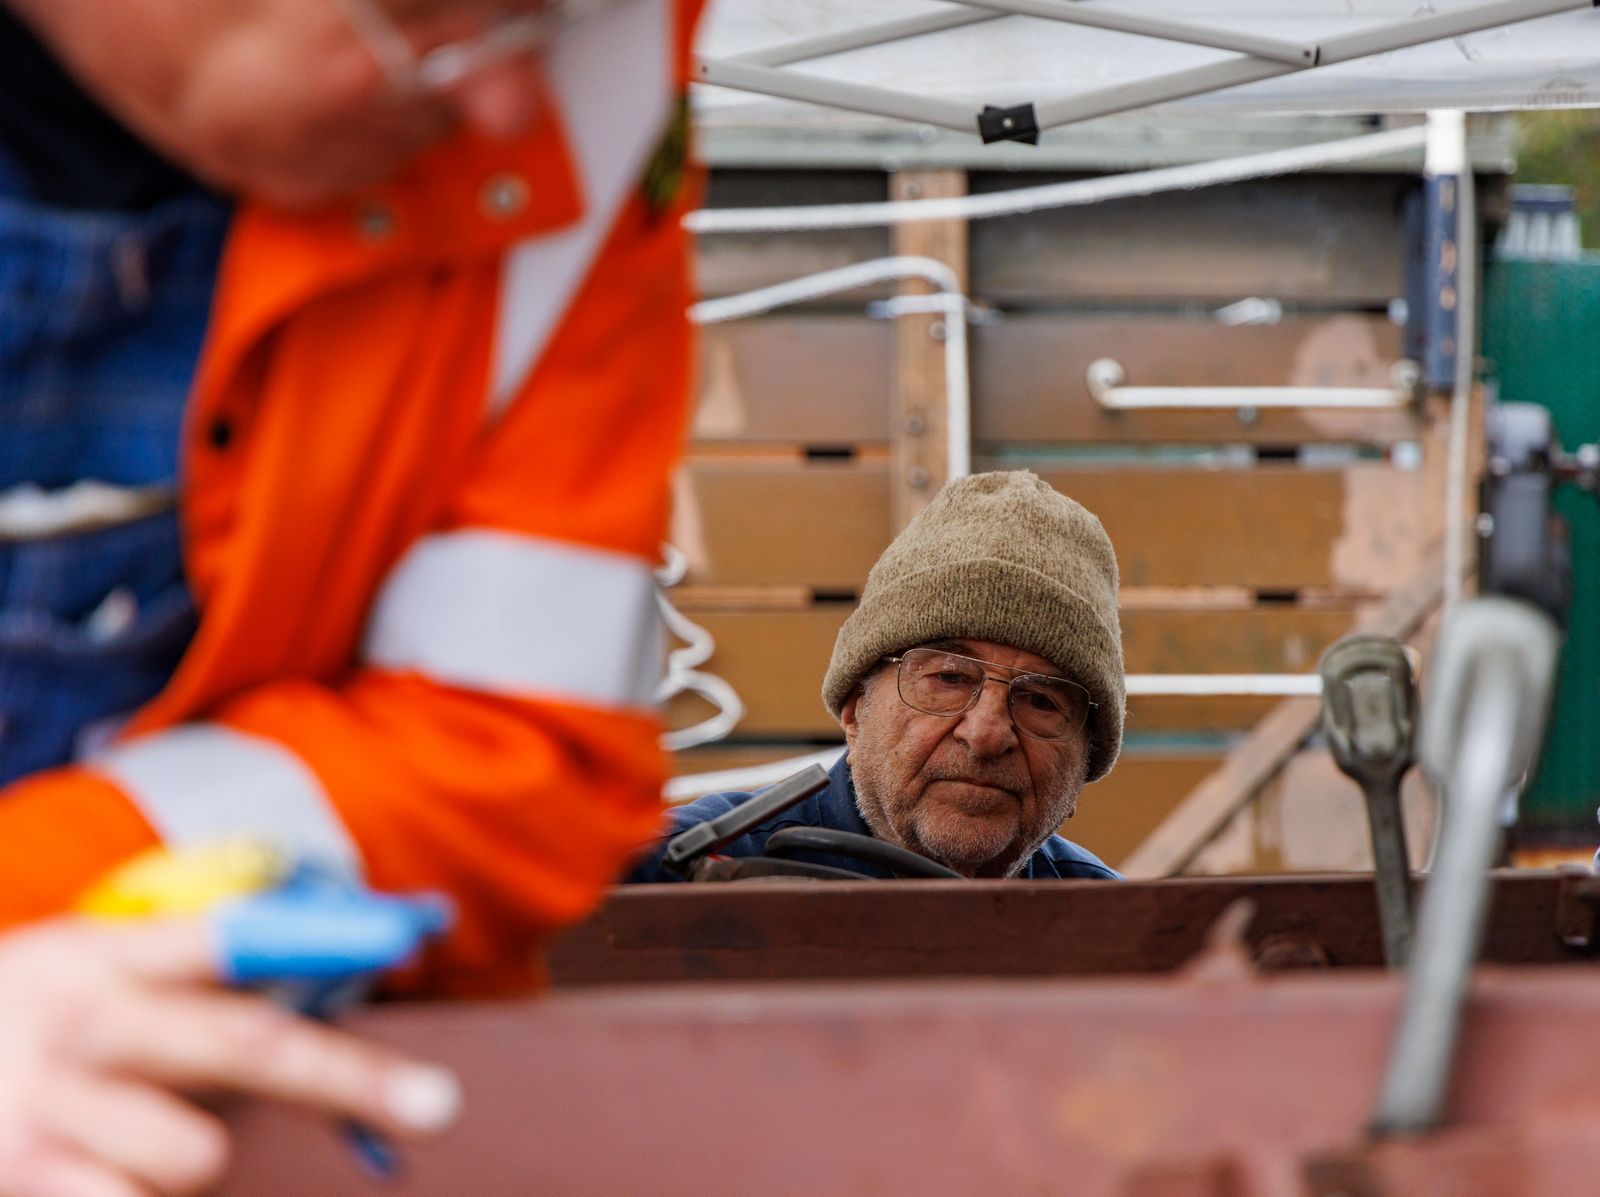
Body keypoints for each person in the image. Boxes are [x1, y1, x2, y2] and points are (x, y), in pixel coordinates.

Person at [0, 0, 704, 1190]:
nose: (506, 106)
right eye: (415, 6)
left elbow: (513, 741)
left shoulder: (595, 64)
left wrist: (45, 924)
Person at [632, 471, 1126, 883]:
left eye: (1041, 701)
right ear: (855, 708)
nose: (986, 734)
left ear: (1086, 760)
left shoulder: (1117, 934)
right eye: (948, 678)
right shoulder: (656, 879)